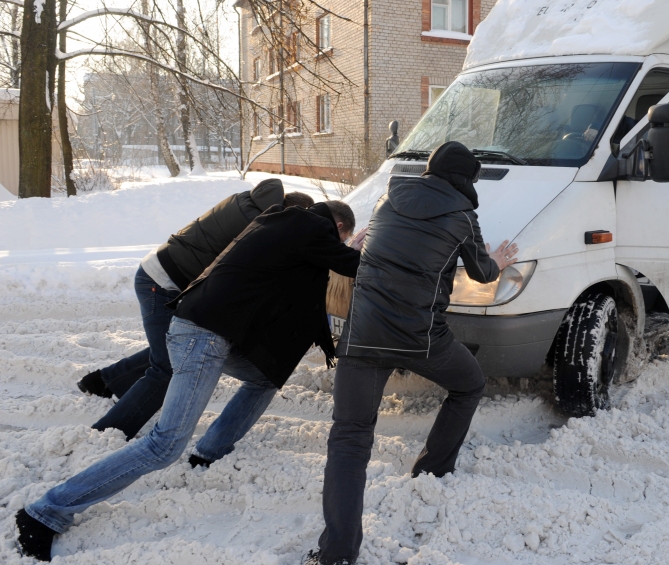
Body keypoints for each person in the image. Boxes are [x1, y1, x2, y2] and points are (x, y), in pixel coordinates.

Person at [17, 200, 363, 562]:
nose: (337, 245)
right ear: (338, 227)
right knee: (164, 445)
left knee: (265, 377)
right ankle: (45, 511)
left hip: (210, 332)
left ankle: (209, 452)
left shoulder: (283, 223)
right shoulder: (309, 227)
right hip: (203, 337)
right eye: (343, 237)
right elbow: (352, 264)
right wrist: (361, 249)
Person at [307, 141, 518, 565]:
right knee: (470, 383)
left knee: (349, 440)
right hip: (421, 339)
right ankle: (433, 470)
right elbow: (482, 273)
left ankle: (336, 556)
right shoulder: (462, 217)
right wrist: (495, 258)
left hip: (363, 337)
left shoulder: (387, 198)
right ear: (465, 180)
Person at [76, 183, 315, 440]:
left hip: (163, 271)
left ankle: (105, 382)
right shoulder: (259, 225)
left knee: (176, 343)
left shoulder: (250, 202)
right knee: (168, 367)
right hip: (162, 282)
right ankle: (109, 432)